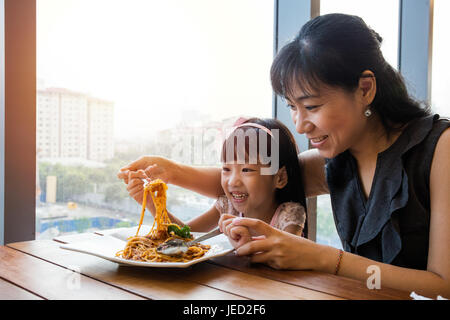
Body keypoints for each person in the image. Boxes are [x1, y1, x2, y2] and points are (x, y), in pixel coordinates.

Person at [118, 14, 449, 298]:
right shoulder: (338, 157)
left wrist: (321, 257)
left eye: (312, 106)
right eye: (293, 107)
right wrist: (170, 172)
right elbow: (251, 178)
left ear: (365, 89)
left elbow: (443, 287)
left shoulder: (440, 149)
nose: (301, 124)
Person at [122, 118, 307, 241]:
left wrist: (243, 243)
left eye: (246, 169)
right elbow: (185, 237)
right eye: (226, 169)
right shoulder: (228, 207)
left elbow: (286, 255)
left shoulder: (289, 215)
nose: (233, 181)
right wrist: (152, 204)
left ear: (280, 177)